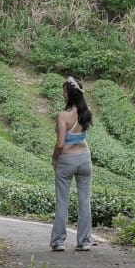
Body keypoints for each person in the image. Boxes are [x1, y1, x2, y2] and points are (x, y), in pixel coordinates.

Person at [50, 76, 93, 252]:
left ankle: (59, 241)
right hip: (84, 157)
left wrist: (54, 158)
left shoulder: (63, 116)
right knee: (85, 201)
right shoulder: (86, 111)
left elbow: (60, 144)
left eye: (64, 92)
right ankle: (84, 241)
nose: (63, 95)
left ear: (69, 95)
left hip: (67, 159)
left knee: (62, 201)